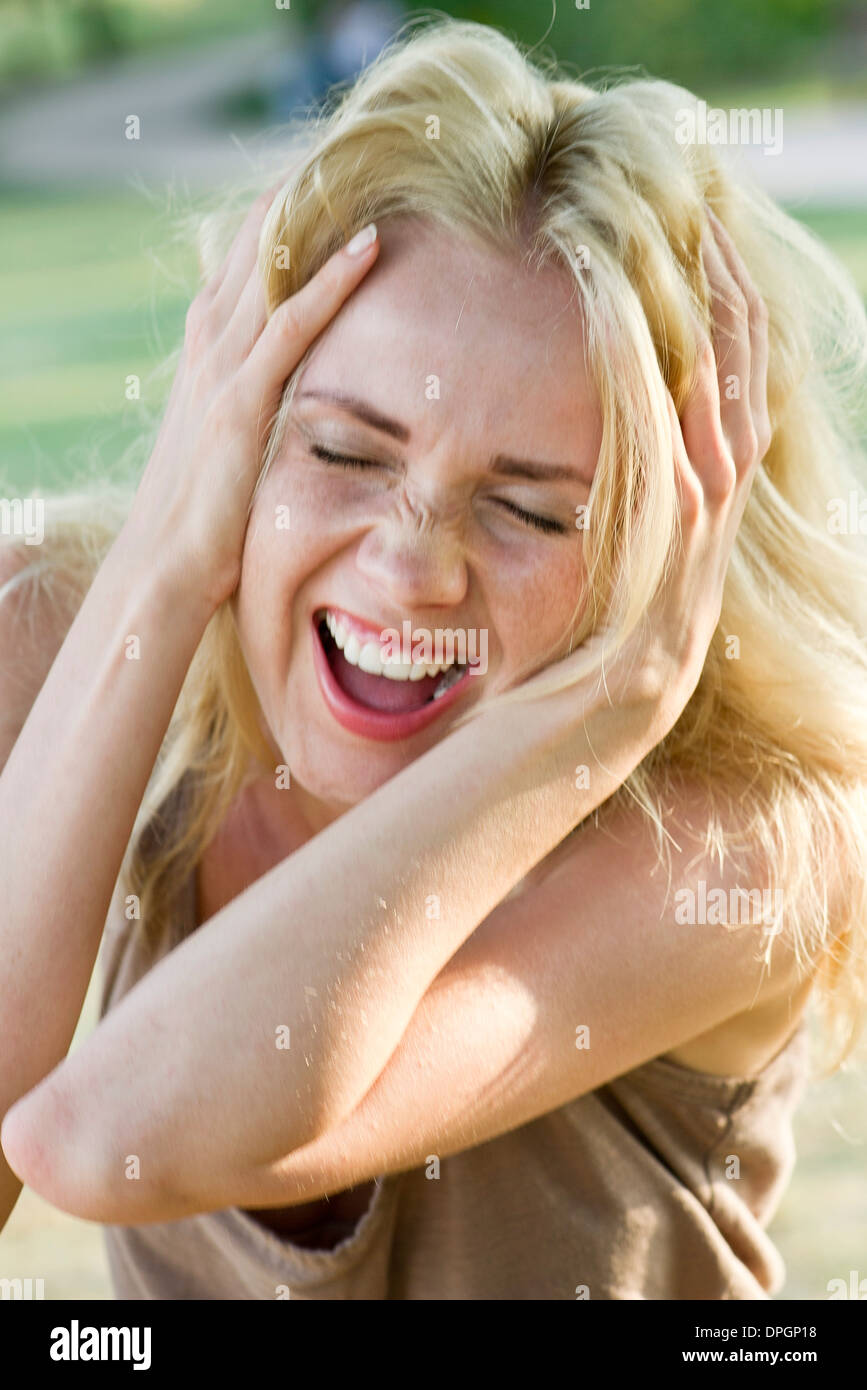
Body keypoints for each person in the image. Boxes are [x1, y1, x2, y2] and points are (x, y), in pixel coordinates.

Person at [1, 18, 865, 1300]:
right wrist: (163, 562)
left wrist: (604, 709)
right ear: (231, 419)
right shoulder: (75, 632)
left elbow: (110, 1139)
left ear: (673, 541)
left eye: (529, 510)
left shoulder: (746, 838)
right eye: (345, 450)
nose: (413, 569)